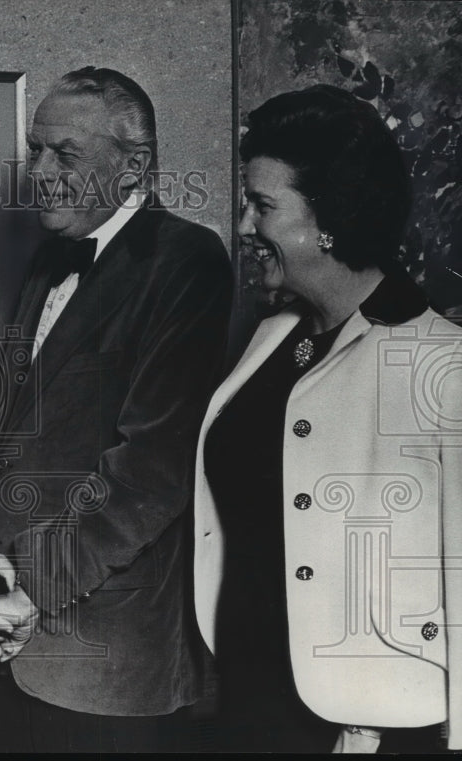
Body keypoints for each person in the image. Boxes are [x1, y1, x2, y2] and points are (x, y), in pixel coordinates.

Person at [0, 66, 233, 752]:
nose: (40, 172)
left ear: (132, 166)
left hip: (108, 663)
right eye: (37, 151)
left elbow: (149, 471)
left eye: (64, 155)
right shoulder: (52, 256)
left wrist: (26, 588)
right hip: (11, 641)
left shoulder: (187, 259)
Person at [193, 84, 462, 753]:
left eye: (262, 205)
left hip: (369, 727)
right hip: (249, 698)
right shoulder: (271, 334)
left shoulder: (440, 363)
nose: (243, 224)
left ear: (330, 218)